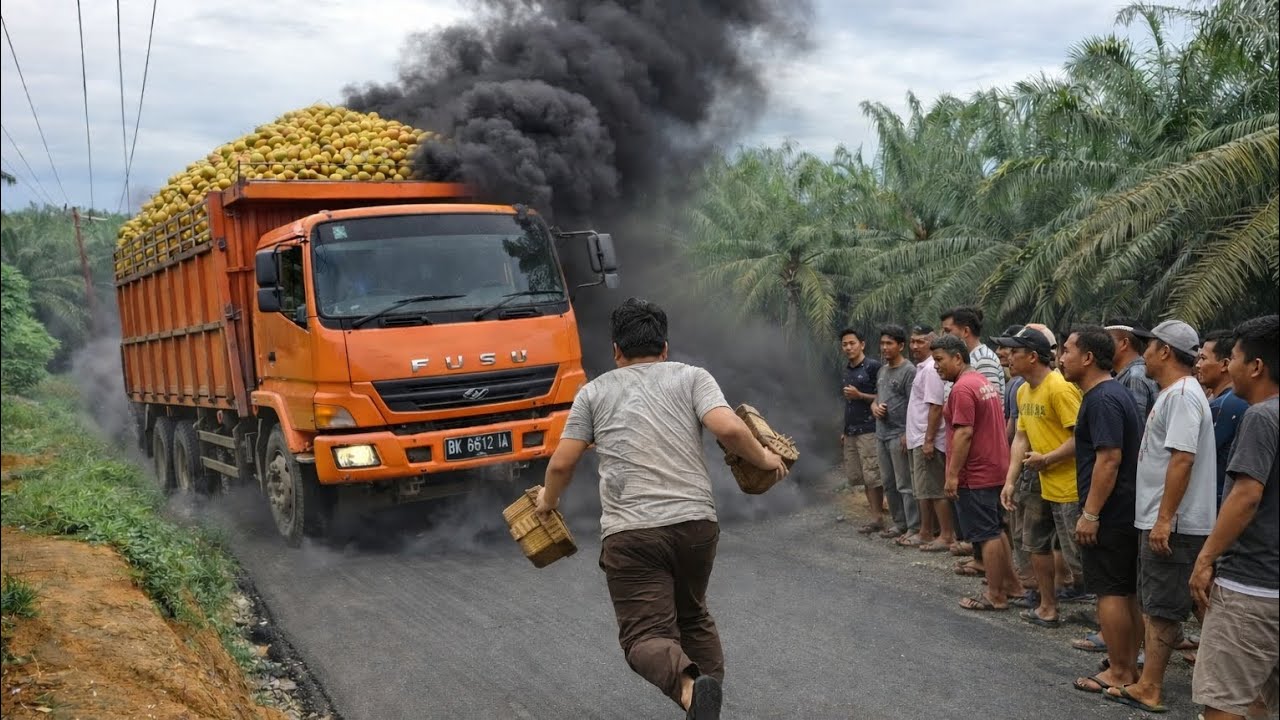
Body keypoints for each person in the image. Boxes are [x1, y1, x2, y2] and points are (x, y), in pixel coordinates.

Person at [535, 298, 788, 720]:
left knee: (644, 636)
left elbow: (562, 462)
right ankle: (707, 702)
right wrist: (764, 459)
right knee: (693, 615)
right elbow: (727, 427)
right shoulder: (692, 377)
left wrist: (548, 501)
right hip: (696, 524)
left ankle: (692, 693)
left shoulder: (593, 392)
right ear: (665, 347)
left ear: (616, 350)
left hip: (631, 533)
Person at [1104, 320, 1218, 714]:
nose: (1144, 352)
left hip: (1175, 522)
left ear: (1166, 351)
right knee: (1166, 602)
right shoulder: (1175, 393)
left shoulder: (1183, 395)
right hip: (1164, 518)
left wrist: (1165, 518)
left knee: (1162, 607)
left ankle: (1151, 686)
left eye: (1149, 346)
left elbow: (1183, 458)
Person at [1190, 314, 1279, 720]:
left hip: (1251, 586)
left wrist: (1206, 559)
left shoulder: (1261, 417)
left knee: (1225, 703)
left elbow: (1246, 495)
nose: (1231, 367)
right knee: (1260, 697)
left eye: (1236, 358)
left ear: (1256, 366)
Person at [1058, 327, 1144, 696]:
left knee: (1110, 591)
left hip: (1111, 512)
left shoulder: (1103, 398)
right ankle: (1124, 663)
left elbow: (1109, 460)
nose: (1061, 357)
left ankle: (1120, 670)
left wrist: (1090, 513)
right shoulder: (1108, 394)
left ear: (1088, 357)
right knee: (1124, 592)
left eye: (1067, 350)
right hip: (1122, 510)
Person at [996, 326, 1086, 627]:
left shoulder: (1060, 388)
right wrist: (1010, 479)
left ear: (1033, 357)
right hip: (1038, 480)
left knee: (1079, 555)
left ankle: (1107, 622)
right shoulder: (1022, 390)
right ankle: (1048, 607)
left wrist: (1047, 458)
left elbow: (1081, 439)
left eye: (1015, 352)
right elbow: (1021, 437)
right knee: (1035, 544)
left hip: (1069, 485)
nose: (1008, 357)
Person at [930, 334, 1018, 610]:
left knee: (986, 534)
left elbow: (964, 433)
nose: (936, 366)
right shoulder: (981, 382)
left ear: (958, 357)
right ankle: (1012, 586)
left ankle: (995, 595)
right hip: (994, 467)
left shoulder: (962, 389)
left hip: (977, 472)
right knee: (995, 528)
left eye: (940, 360)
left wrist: (953, 475)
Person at [906, 325, 953, 552]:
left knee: (934, 489)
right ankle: (926, 531)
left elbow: (936, 406)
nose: (915, 346)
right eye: (912, 341)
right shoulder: (923, 368)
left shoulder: (932, 370)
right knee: (924, 489)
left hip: (928, 439)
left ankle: (945, 535)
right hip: (917, 437)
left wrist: (928, 440)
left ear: (931, 342)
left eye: (920, 341)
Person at [839, 329, 886, 536]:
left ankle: (877, 517)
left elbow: (883, 396)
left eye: (852, 343)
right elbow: (848, 404)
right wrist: (844, 429)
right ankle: (875, 514)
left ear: (862, 344)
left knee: (873, 475)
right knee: (860, 476)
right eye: (844, 344)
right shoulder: (848, 369)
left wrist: (860, 395)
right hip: (852, 429)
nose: (848, 347)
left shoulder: (874, 367)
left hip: (870, 428)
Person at [874, 324, 918, 544]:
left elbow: (914, 404)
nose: (884, 347)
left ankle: (913, 526)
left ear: (901, 346)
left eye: (889, 343)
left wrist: (907, 433)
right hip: (881, 434)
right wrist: (874, 407)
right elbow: (876, 397)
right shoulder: (882, 370)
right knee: (888, 482)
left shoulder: (909, 370)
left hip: (899, 434)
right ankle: (899, 523)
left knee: (905, 484)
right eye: (882, 343)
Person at [1197, 329, 1250, 507]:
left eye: (1203, 358)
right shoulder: (1237, 401)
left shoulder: (1223, 406)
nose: (1197, 365)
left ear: (1224, 364)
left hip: (1217, 503)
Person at [1105, 318, 1160, 423]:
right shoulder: (1131, 374)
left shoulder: (1135, 376)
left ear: (1124, 343)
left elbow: (1136, 427)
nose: (1103, 345)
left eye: (1107, 340)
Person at [941, 306, 1005, 396]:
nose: (943, 336)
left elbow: (989, 402)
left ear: (966, 331)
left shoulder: (984, 359)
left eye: (948, 331)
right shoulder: (965, 358)